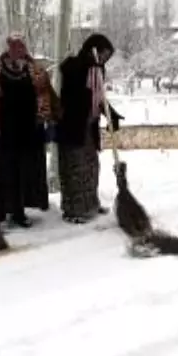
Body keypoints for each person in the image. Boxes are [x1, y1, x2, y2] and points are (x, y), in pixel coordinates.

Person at [0, 34, 57, 228]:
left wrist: (48, 119)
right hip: (3, 129)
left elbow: (46, 94)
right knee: (2, 171)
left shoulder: (35, 69)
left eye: (22, 47)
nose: (19, 50)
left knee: (22, 172)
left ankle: (19, 211)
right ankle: (0, 211)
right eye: (15, 47)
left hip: (27, 130)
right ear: (8, 48)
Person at [56, 33, 123, 224]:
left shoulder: (99, 70)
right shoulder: (74, 67)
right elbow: (74, 95)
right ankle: (74, 210)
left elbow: (99, 98)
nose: (104, 59)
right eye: (102, 54)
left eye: (107, 56)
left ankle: (91, 204)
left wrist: (111, 114)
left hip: (89, 126)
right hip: (72, 125)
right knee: (75, 167)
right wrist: (87, 64)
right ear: (92, 50)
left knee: (92, 166)